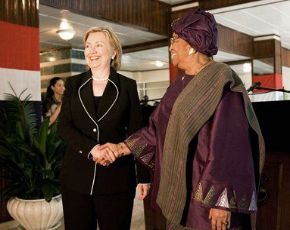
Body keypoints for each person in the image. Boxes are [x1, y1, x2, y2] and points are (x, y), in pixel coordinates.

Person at [96, 8, 265, 230]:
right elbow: (156, 130)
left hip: (208, 197)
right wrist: (119, 148)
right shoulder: (179, 85)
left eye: (175, 40)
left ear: (192, 44)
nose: (171, 46)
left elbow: (231, 146)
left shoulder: (222, 81)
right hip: (182, 191)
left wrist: (222, 202)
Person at [58, 27, 150, 230]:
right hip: (76, 179)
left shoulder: (127, 86)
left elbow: (138, 134)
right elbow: (64, 127)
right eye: (88, 46)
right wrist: (92, 149)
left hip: (116, 179)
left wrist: (144, 177)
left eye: (99, 45)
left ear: (114, 52)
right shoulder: (73, 84)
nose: (92, 50)